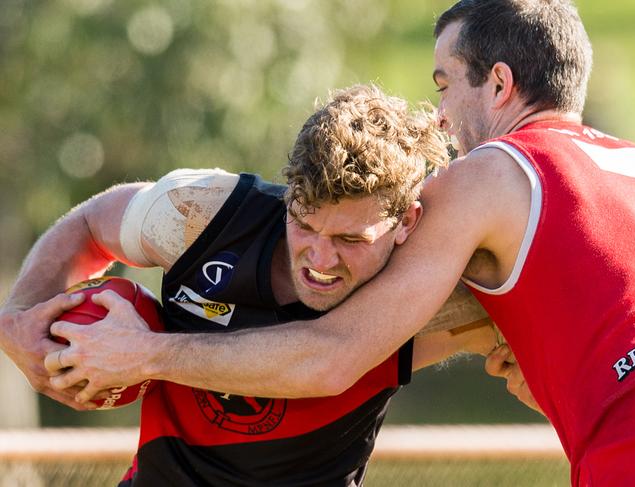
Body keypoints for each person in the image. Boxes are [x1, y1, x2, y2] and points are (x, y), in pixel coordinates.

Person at [43, 1, 635, 485]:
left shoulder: (490, 172)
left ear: (498, 85)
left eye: (444, 85)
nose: (440, 116)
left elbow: (333, 356)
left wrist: (140, 353)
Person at [1, 84, 500, 485]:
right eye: (305, 224)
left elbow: (541, 328)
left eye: (352, 238)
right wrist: (18, 317)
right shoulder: (205, 214)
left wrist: (144, 352)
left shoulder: (428, 295)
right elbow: (91, 225)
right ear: (289, 195)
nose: (321, 259)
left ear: (406, 224)